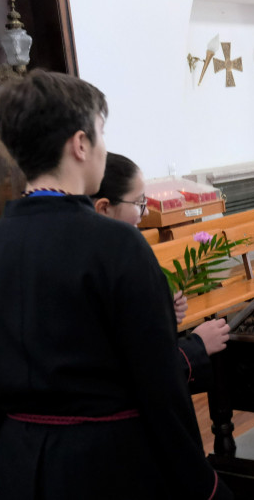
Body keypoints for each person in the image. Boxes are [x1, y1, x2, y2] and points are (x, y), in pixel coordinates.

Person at [0, 71, 231, 499]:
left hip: (19, 468)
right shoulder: (117, 245)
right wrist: (202, 485)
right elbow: (160, 386)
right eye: (102, 134)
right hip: (111, 467)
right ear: (80, 144)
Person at [92, 151, 231, 389]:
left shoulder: (110, 253)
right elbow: (132, 364)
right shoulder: (105, 266)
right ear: (104, 208)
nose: (146, 212)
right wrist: (197, 345)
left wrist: (164, 314)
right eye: (139, 203)